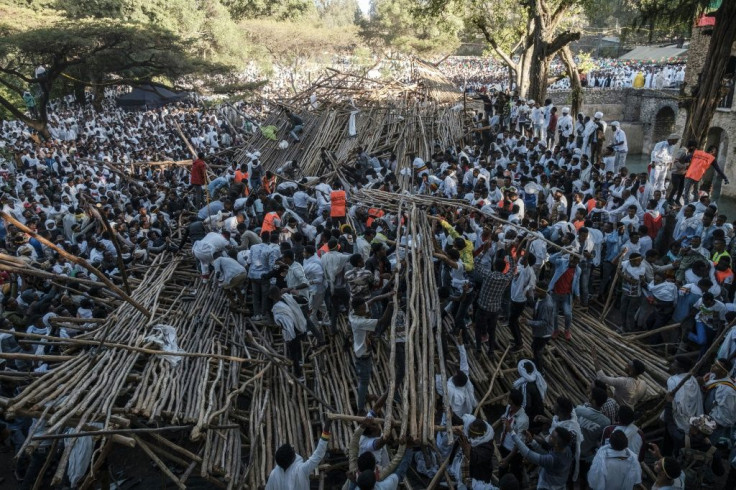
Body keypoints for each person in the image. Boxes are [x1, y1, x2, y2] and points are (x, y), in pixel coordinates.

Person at [349, 294, 393, 413]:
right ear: (358, 310)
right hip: (363, 355)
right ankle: (360, 408)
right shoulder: (360, 322)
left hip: (361, 352)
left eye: (364, 307)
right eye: (363, 309)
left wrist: (387, 295)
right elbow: (383, 320)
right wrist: (389, 306)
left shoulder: (352, 313)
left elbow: (372, 299)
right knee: (364, 381)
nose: (365, 310)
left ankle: (364, 397)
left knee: (364, 378)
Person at [265, 420, 331, 489]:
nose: (293, 447)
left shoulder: (274, 475)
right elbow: (318, 455)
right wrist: (326, 430)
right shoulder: (301, 470)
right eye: (292, 449)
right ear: (292, 459)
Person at [510, 425, 574, 490]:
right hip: (558, 484)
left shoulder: (553, 459)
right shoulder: (566, 449)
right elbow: (546, 454)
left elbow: (528, 454)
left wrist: (512, 432)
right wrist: (532, 441)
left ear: (556, 444)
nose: (549, 437)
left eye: (552, 436)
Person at [269, 286, 308, 380]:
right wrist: (295, 292)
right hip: (300, 326)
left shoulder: (276, 308)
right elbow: (305, 300)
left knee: (293, 351)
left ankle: (298, 374)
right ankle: (298, 362)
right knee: (297, 347)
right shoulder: (289, 297)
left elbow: (280, 323)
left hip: (291, 332)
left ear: (271, 297)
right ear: (279, 291)